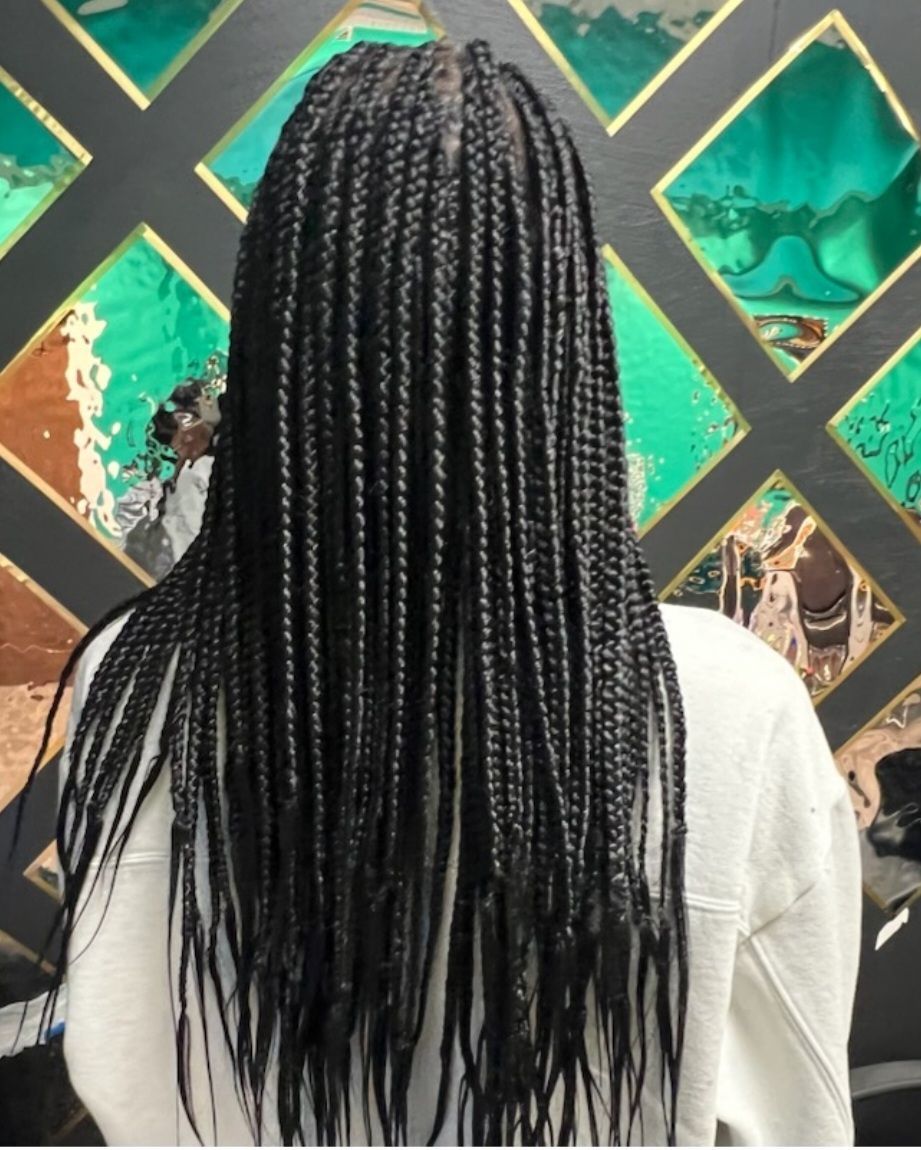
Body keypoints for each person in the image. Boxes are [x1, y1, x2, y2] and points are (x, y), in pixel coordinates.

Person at [39, 39, 860, 1146]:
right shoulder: (726, 708)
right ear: (565, 328)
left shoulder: (138, 677)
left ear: (280, 313)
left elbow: (122, 1063)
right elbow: (795, 1116)